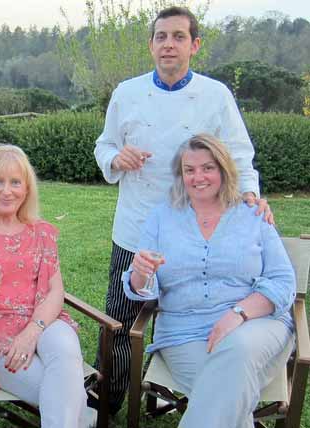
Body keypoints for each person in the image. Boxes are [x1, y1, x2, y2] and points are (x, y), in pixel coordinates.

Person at [92, 5, 273, 413]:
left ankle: (175, 391)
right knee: (120, 323)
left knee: (186, 312)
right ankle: (110, 402)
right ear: (151, 45)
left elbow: (240, 156)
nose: (168, 44)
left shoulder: (215, 95)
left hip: (196, 230)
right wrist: (116, 158)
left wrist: (250, 196)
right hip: (137, 228)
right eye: (161, 37)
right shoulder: (127, 92)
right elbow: (104, 146)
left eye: (177, 37)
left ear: (194, 45)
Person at [123, 134, 295, 428]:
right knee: (228, 391)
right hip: (185, 334)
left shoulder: (253, 214)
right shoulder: (162, 218)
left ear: (223, 170)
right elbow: (142, 287)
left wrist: (238, 314)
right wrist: (140, 271)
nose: (198, 177)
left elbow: (283, 281)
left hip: (257, 326)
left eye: (208, 168)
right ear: (181, 175)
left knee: (237, 353)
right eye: (189, 170)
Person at [0, 145, 96, 427]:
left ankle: (83, 417)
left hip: (44, 321)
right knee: (67, 397)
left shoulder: (41, 232)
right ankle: (85, 417)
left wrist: (31, 333)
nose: (6, 191)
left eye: (15, 182)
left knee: (65, 352)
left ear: (27, 188)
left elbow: (54, 292)